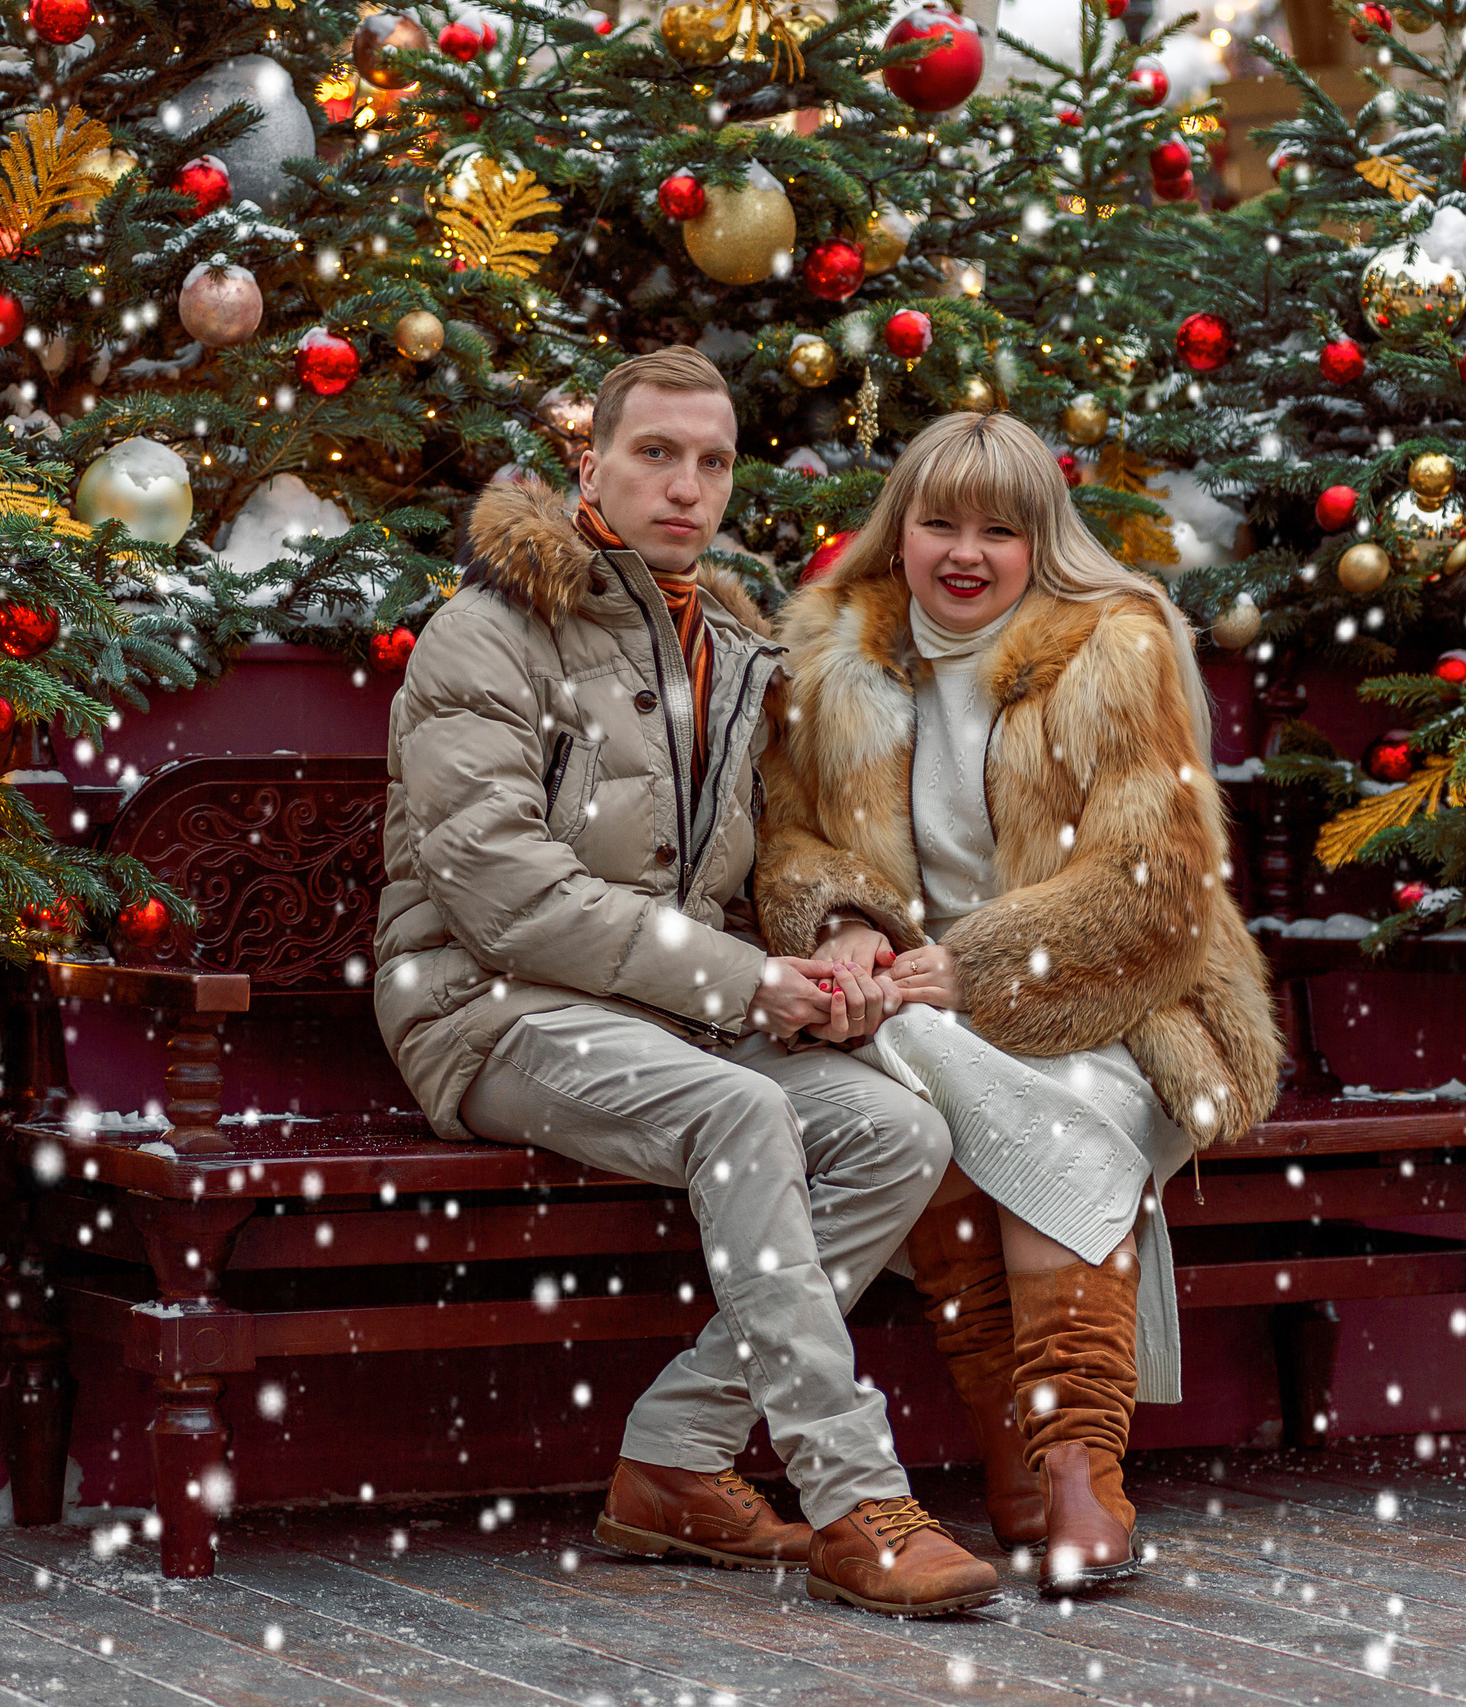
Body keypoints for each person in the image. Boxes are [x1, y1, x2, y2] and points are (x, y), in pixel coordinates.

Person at [372, 348, 998, 1618]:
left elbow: (766, 860)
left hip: (662, 1015)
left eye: (711, 461)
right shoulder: (485, 633)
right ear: (587, 461)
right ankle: (853, 1501)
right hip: (487, 1011)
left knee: (895, 1130)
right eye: (655, 453)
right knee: (745, 1112)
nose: (687, 487)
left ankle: (672, 1457)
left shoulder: (730, 645)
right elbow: (504, 893)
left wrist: (841, 946)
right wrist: (742, 984)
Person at [755, 411, 1280, 1595]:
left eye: (999, 529)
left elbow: (1156, 882)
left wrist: (989, 965)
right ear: (899, 531)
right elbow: (784, 841)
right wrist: (847, 924)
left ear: (1041, 540)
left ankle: (1078, 1467)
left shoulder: (1112, 646)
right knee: (919, 1119)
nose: (964, 553)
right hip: (906, 998)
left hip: (1107, 992)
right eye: (939, 521)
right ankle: (1023, 1458)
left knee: (1066, 1107)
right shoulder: (828, 653)